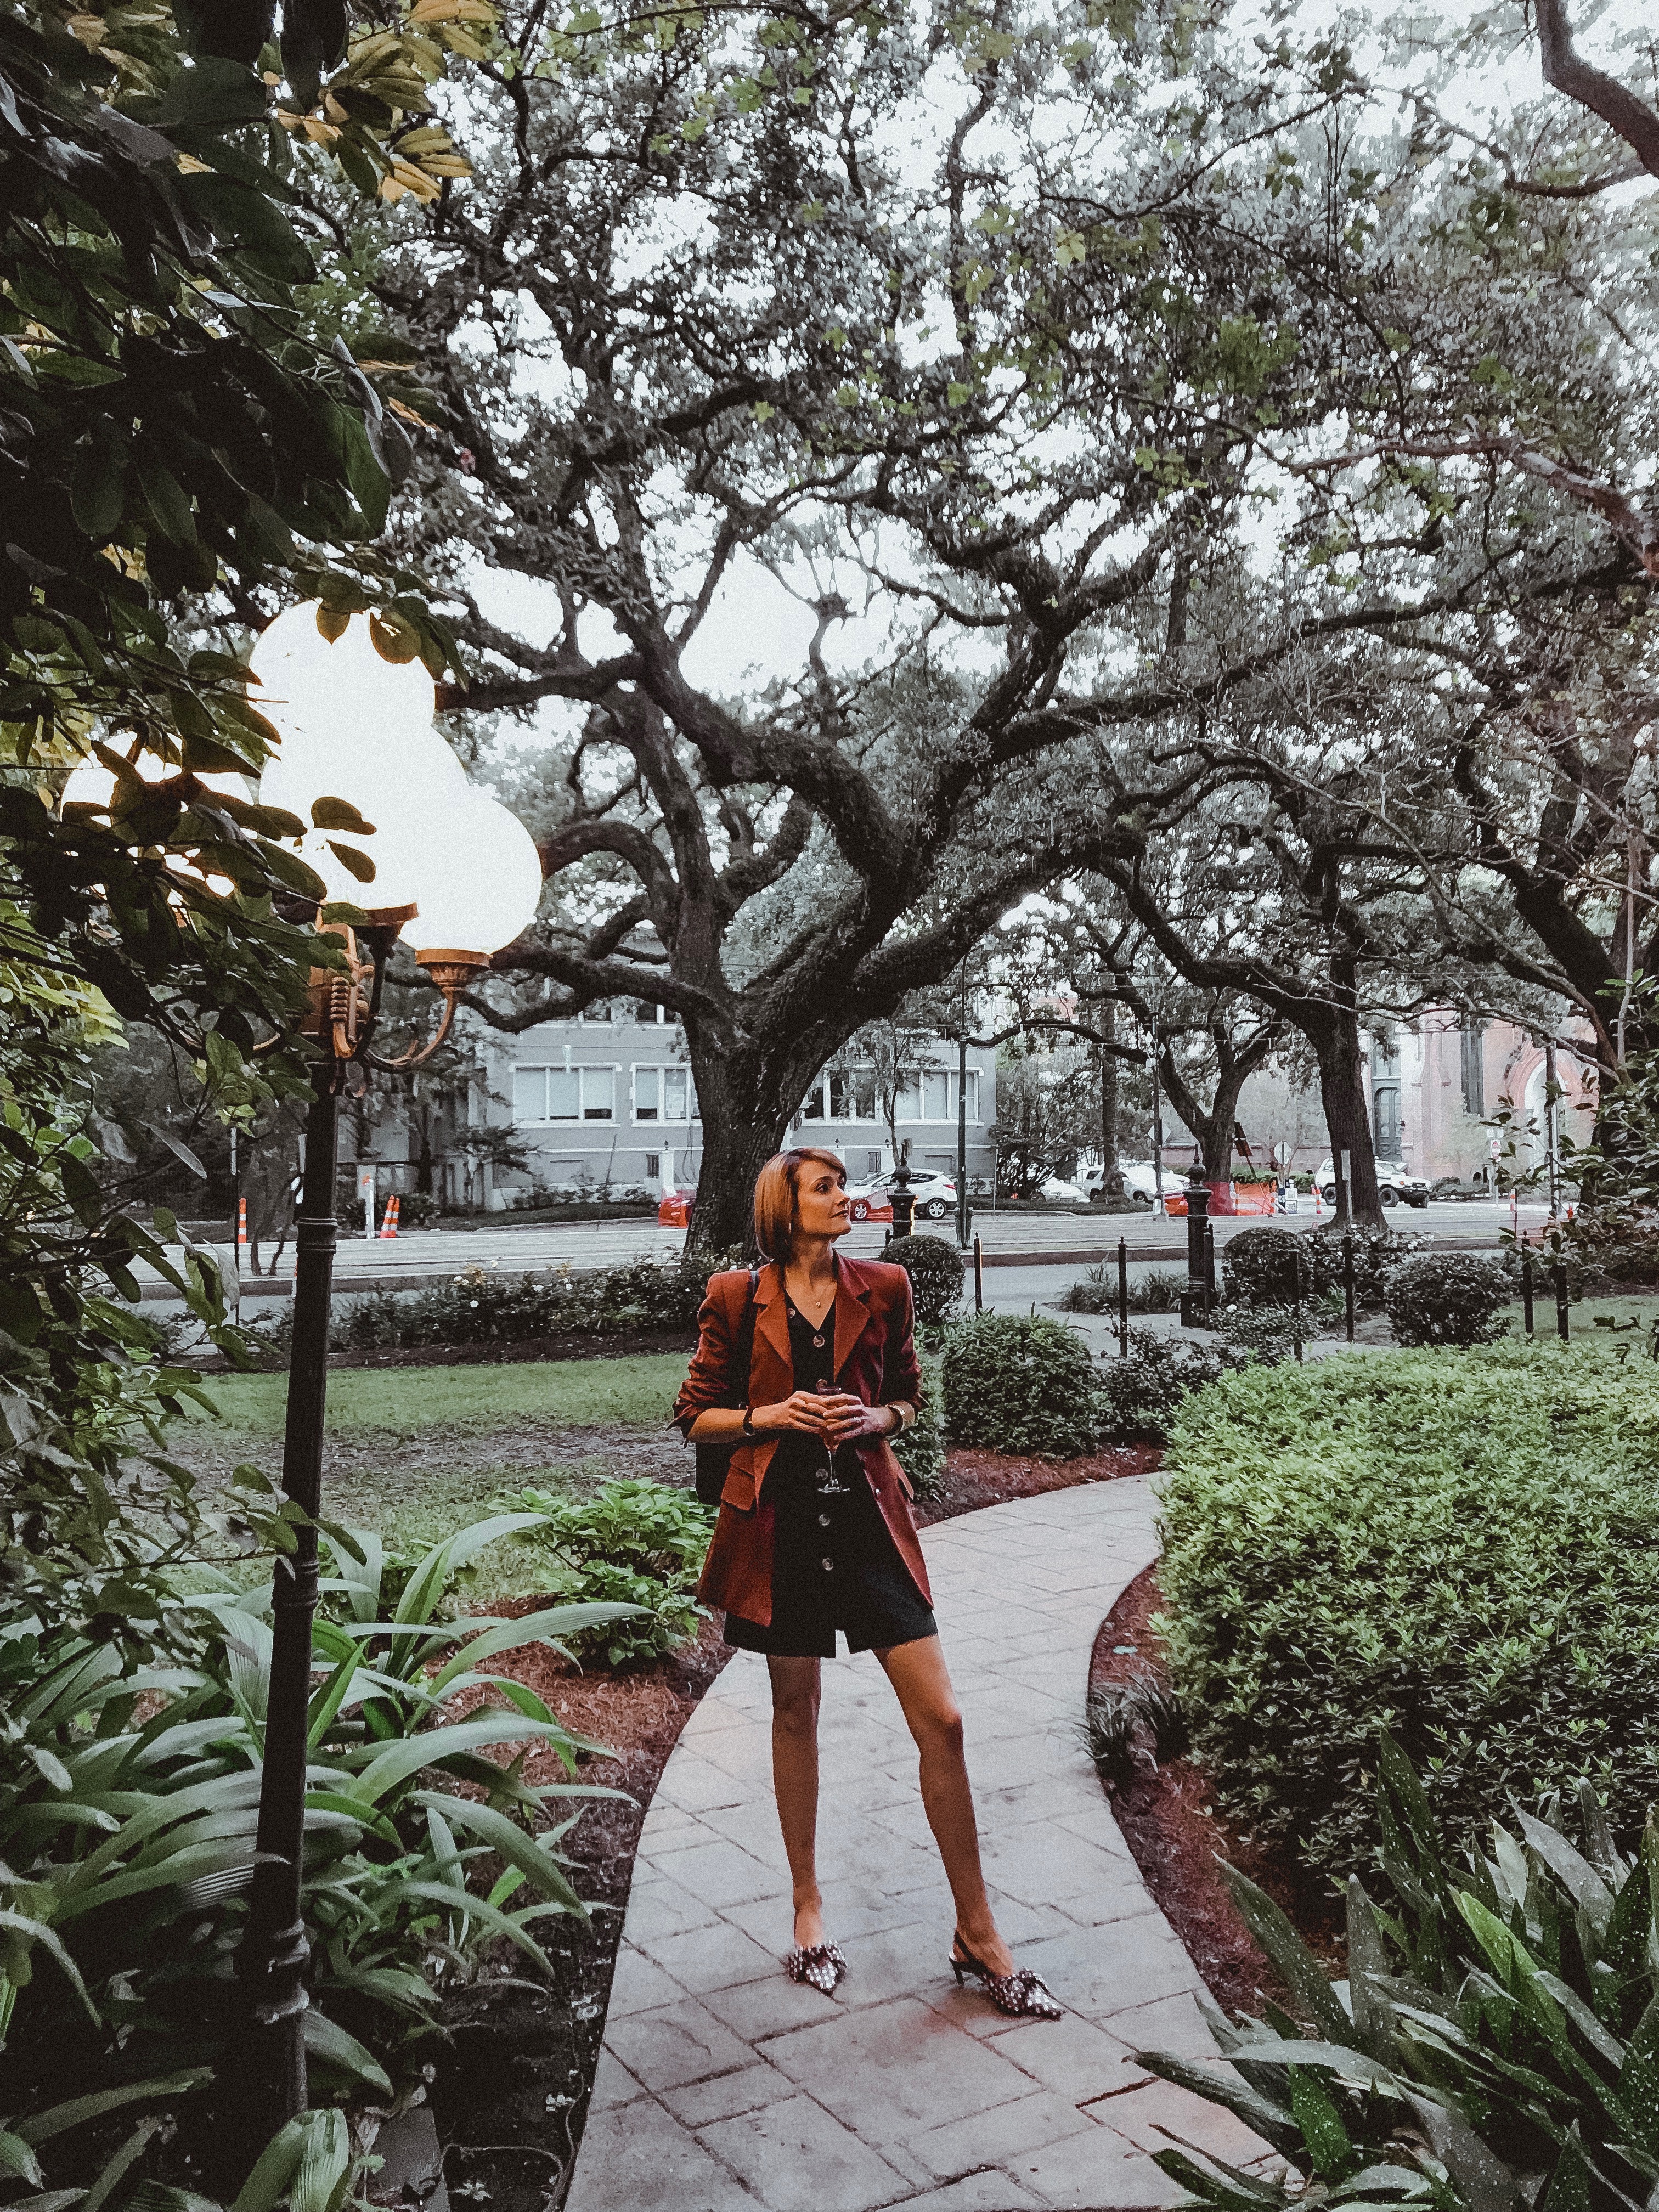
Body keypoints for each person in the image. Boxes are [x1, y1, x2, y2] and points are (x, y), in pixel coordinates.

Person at [673, 1145, 1060, 2018]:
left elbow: (909, 1398)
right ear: (786, 1207)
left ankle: (977, 1930)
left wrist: (875, 1415)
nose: (846, 1198)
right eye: (826, 1188)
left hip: (868, 1522)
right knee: (793, 1712)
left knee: (945, 1720)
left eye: (844, 1185)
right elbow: (696, 1415)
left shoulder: (884, 1287)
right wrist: (773, 1415)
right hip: (775, 1528)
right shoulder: (738, 1298)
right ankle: (809, 1910)